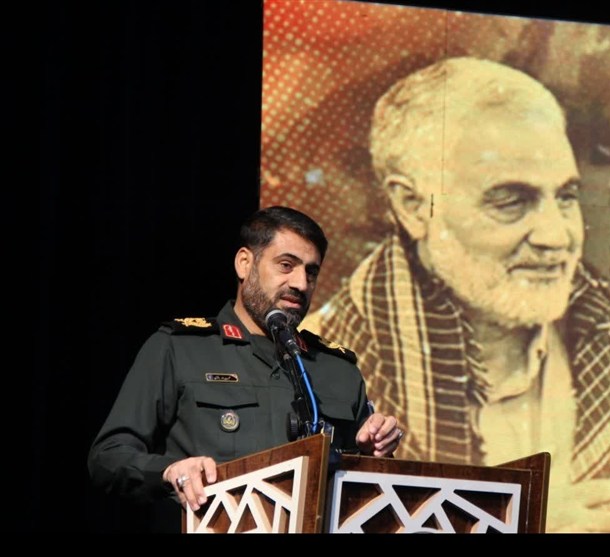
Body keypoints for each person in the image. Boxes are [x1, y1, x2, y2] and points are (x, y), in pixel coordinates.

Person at [304, 57, 610, 533]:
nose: (555, 235)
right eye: (510, 200)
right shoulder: (297, 383)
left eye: (566, 198)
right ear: (414, 206)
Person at [87, 206, 404, 532]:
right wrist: (170, 472)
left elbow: (368, 497)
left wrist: (374, 453)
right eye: (286, 265)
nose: (300, 283)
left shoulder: (338, 370)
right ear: (244, 263)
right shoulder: (179, 349)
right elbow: (108, 456)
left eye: (311, 272)